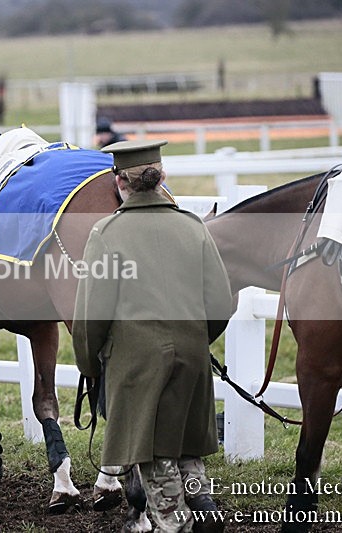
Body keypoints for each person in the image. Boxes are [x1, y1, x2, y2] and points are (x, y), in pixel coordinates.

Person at [72, 140, 232, 533]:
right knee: (186, 442)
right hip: (192, 358)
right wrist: (194, 338)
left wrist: (90, 363)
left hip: (137, 364)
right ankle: (203, 502)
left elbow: (92, 314)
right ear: (162, 177)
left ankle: (178, 523)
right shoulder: (193, 226)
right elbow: (221, 303)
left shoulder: (107, 233)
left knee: (156, 454)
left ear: (118, 183)